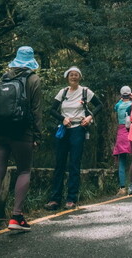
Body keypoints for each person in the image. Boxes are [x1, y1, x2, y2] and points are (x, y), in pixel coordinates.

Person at [0, 46, 42, 238]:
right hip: (21, 132)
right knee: (24, 170)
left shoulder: (4, 78)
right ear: (31, 61)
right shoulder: (33, 79)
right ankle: (16, 217)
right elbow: (36, 110)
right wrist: (37, 135)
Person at [45, 66, 103, 211]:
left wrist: (90, 117)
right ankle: (54, 199)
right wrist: (62, 118)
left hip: (79, 129)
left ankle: (71, 199)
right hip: (64, 129)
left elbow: (99, 105)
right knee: (59, 164)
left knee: (74, 164)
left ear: (80, 77)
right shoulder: (62, 92)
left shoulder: (85, 91)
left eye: (76, 74)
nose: (74, 77)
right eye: (71, 74)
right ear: (67, 77)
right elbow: (51, 110)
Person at [113, 85, 132, 195]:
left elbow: (115, 108)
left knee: (122, 161)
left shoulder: (118, 105)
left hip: (121, 132)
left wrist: (121, 99)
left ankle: (122, 187)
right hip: (131, 131)